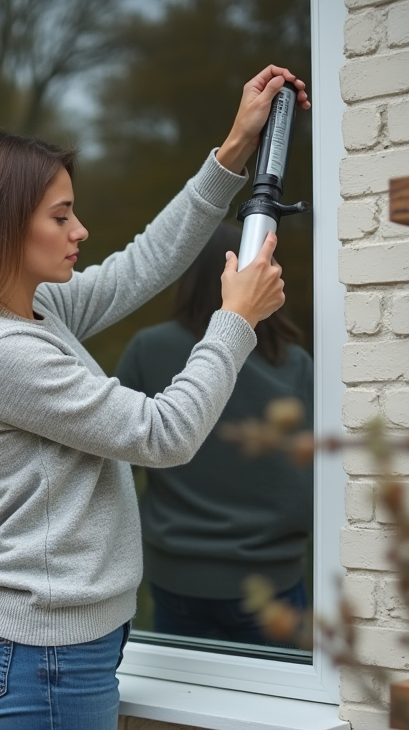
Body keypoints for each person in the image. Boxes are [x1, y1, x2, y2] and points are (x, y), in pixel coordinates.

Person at [0, 66, 310, 730]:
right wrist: (235, 321)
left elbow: (142, 266)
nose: (79, 231)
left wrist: (233, 152)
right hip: (45, 657)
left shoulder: (35, 314)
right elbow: (162, 432)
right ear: (1, 227)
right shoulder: (0, 353)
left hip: (56, 649)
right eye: (60, 216)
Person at [114, 223, 314, 647]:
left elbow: (116, 465)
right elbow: (316, 472)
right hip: (271, 579)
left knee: (185, 689)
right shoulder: (294, 363)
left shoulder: (149, 348)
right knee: (275, 690)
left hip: (176, 575)